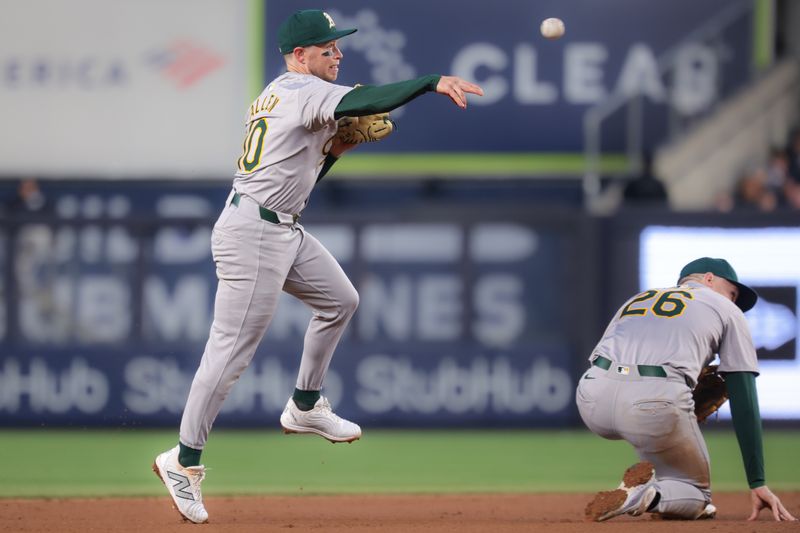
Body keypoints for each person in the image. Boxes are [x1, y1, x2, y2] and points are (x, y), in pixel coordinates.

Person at [152, 9, 483, 524]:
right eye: (329, 48)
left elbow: (303, 171)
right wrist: (430, 82)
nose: (339, 53)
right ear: (301, 55)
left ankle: (305, 405)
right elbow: (368, 98)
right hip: (254, 233)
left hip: (279, 225)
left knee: (340, 300)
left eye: (337, 46)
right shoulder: (304, 91)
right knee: (231, 350)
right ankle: (184, 461)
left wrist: (342, 145)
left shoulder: (279, 95)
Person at [576, 257, 796, 522]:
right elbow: (744, 397)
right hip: (650, 404)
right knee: (696, 492)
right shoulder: (727, 310)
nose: (733, 301)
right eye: (733, 293)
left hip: (591, 396)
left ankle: (665, 492)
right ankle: (647, 496)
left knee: (655, 434)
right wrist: (757, 480)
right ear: (709, 278)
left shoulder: (640, 297)